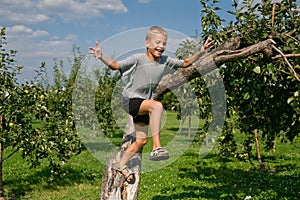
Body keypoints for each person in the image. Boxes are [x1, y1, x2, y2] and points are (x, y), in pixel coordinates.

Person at [89, 26, 214, 184]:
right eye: (157, 42)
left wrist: (202, 51)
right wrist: (101, 56)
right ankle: (157, 148)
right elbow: (115, 66)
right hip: (130, 101)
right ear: (147, 43)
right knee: (157, 106)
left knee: (141, 140)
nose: (161, 46)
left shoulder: (165, 60)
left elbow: (186, 63)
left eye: (164, 43)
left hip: (142, 104)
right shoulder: (138, 59)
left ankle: (119, 165)